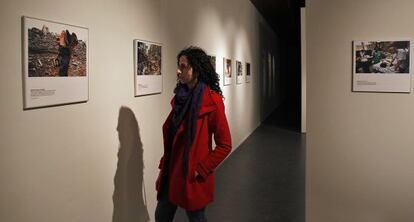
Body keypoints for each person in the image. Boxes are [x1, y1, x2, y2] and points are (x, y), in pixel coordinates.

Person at [155, 46, 232, 222]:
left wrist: (202, 169)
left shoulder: (211, 100)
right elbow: (172, 138)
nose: (178, 70)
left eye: (183, 66)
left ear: (196, 69)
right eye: (178, 65)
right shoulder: (180, 98)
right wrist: (162, 167)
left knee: (196, 218)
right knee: (161, 216)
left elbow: (225, 144)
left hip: (191, 175)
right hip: (172, 171)